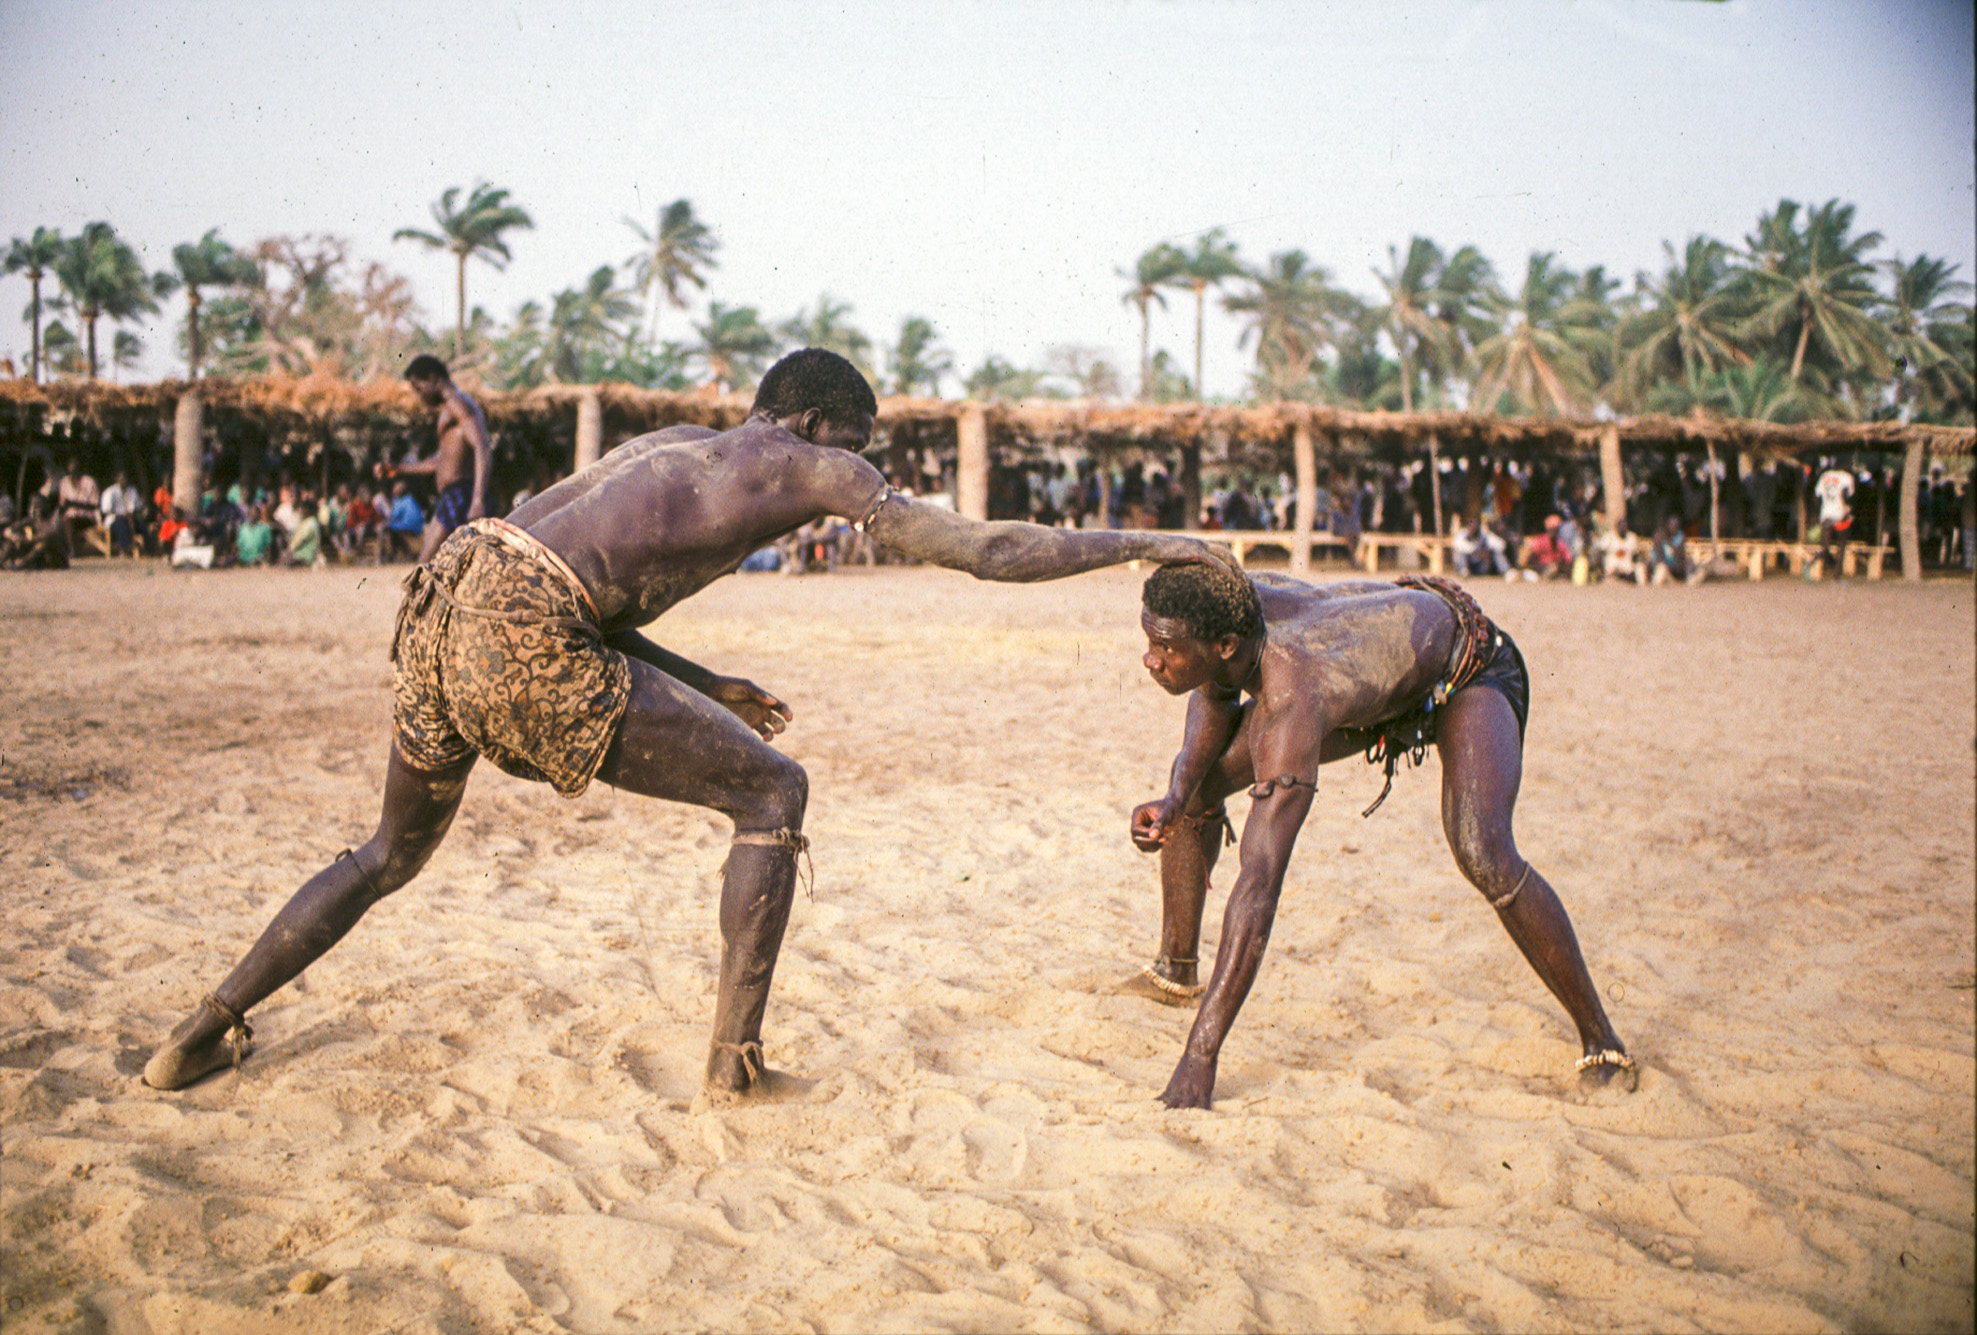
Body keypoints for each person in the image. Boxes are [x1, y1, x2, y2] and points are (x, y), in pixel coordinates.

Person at [142, 349, 1234, 1103]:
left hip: (449, 597)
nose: (861, 476)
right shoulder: (820, 462)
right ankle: (734, 1067)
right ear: (813, 426)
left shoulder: (668, 446)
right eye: (857, 449)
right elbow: (989, 551)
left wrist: (709, 683)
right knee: (774, 795)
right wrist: (1144, 543)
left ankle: (195, 1033)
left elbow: (576, 589)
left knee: (388, 853)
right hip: (522, 620)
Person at [1124, 562, 1633, 1110]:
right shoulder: (1230, 616)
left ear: (1224, 644)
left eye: (1166, 648)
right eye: (1150, 640)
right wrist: (1176, 799)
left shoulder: (1293, 695)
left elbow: (1260, 880)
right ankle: (1175, 969)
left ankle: (1602, 1041)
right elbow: (1212, 701)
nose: (1151, 659)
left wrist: (1200, 1057)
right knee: (1197, 787)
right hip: (1373, 682)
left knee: (1481, 848)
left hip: (1466, 669)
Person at [377, 355, 492, 564]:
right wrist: (400, 469)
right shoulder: (452, 407)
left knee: (426, 567)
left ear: (433, 378)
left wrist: (477, 499)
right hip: (454, 496)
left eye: (418, 388)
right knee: (434, 567)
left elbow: (482, 447)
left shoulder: (458, 403)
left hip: (460, 495)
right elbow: (441, 462)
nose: (419, 396)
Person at [1812, 461, 1854, 580]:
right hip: (1840, 515)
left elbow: (1817, 496)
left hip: (1826, 515)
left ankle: (1812, 562)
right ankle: (1836, 574)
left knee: (1825, 545)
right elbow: (1848, 495)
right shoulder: (1847, 477)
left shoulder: (1824, 476)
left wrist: (1818, 514)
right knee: (1841, 545)